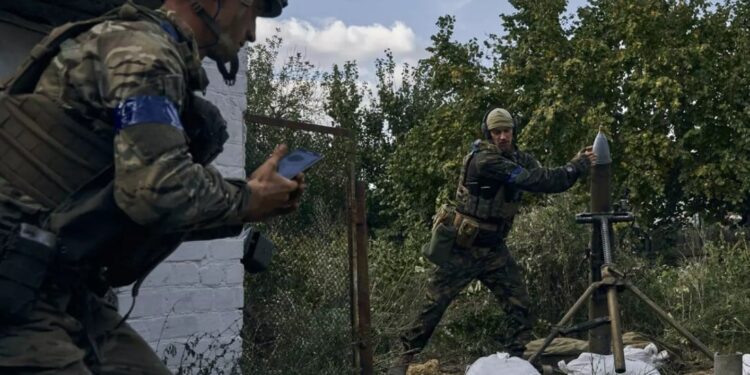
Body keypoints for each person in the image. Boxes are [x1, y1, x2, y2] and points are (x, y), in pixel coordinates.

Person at [0, 0, 300, 373]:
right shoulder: (143, 55)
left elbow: (129, 202)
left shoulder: (150, 51)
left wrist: (250, 199)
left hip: (59, 282)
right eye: (252, 10)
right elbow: (158, 192)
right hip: (17, 280)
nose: (253, 33)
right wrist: (248, 199)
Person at [389, 107, 596, 374]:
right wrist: (575, 167)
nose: (502, 137)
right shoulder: (485, 161)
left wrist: (574, 165)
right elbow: (533, 180)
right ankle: (402, 361)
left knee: (519, 304)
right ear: (488, 133)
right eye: (496, 132)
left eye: (506, 131)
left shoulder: (517, 157)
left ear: (513, 132)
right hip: (464, 248)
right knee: (434, 305)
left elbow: (548, 179)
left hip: (494, 249)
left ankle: (517, 361)